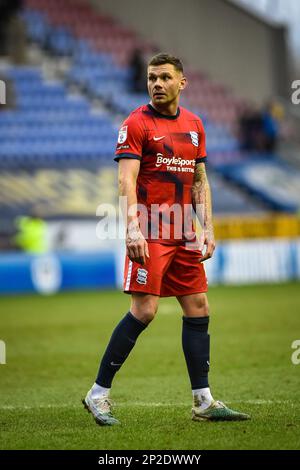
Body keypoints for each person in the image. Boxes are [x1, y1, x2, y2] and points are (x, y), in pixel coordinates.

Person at [83, 53, 250, 425]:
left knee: (198, 307)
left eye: (164, 78)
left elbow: (199, 180)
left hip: (184, 233)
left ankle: (203, 402)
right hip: (150, 229)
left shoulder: (195, 125)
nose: (157, 84)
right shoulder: (136, 123)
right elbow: (126, 180)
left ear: (181, 82)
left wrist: (207, 228)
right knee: (144, 310)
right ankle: (98, 394)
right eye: (151, 78)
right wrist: (131, 227)